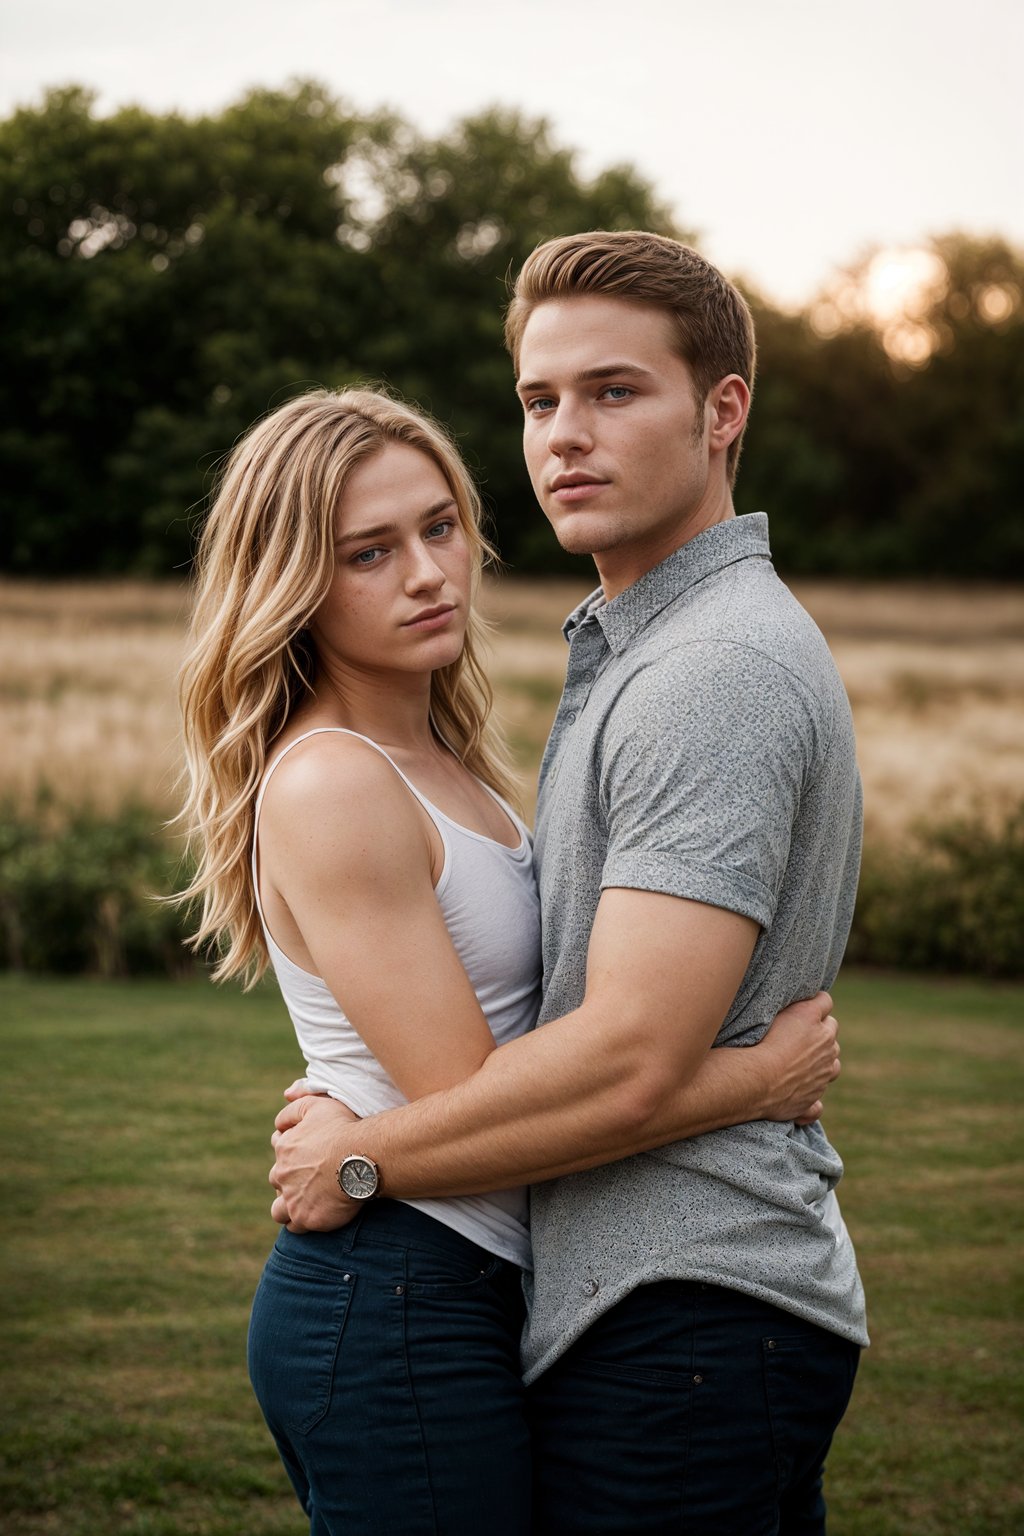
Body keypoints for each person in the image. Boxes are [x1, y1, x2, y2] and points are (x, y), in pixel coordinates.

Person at [269, 234, 869, 1535]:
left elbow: (629, 1055)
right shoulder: (637, 655)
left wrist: (360, 1157)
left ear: (723, 413)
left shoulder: (708, 669)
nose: (564, 437)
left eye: (613, 392)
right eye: (541, 402)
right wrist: (753, 1080)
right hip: (628, 1299)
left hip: (688, 1298)